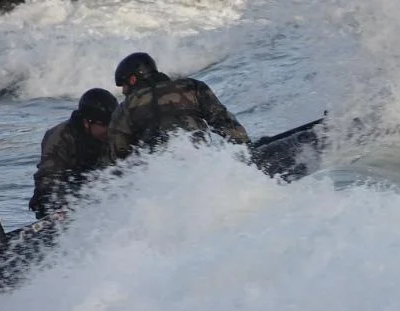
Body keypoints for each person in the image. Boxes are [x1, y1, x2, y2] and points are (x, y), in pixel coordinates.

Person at [107, 52, 250, 160]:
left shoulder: (124, 108)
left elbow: (120, 158)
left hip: (157, 171)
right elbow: (224, 122)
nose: (124, 91)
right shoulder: (191, 86)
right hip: (201, 160)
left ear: (133, 80)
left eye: (123, 85)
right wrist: (246, 151)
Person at [28, 88, 119, 219]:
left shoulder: (112, 135)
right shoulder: (60, 136)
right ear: (87, 122)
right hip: (61, 198)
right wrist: (62, 205)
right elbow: (48, 179)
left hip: (94, 194)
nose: (110, 130)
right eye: (105, 125)